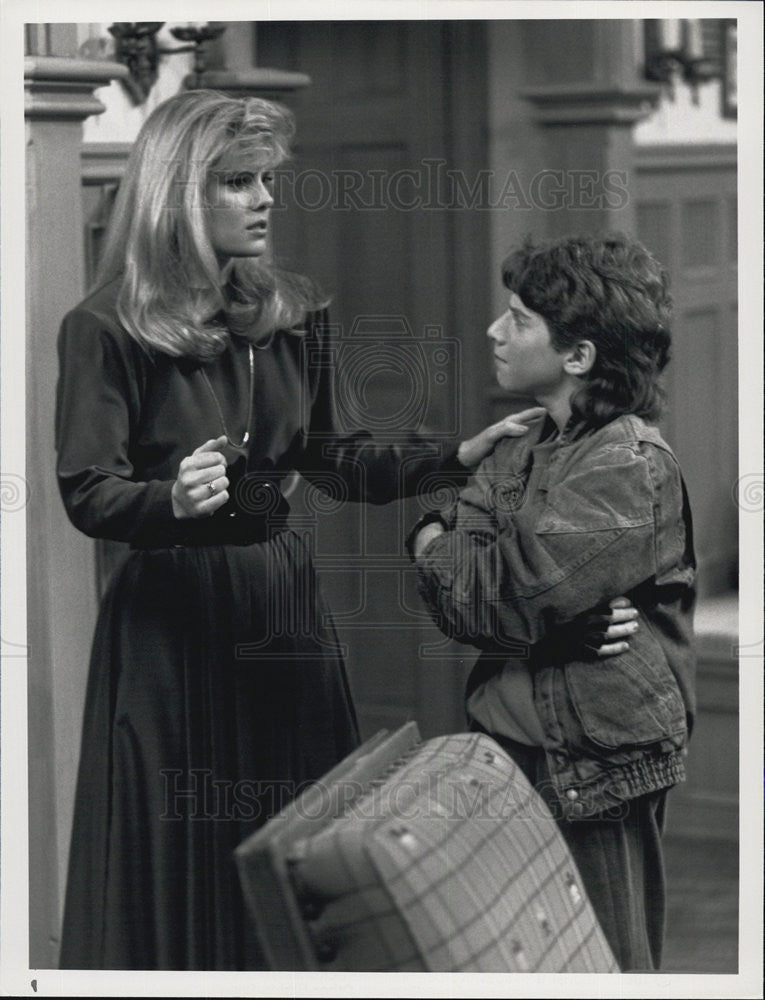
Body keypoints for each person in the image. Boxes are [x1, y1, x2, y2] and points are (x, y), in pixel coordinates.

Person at [55, 91, 633, 971]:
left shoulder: (290, 313)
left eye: (267, 180)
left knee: (292, 835)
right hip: (169, 620)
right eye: (238, 182)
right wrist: (168, 500)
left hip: (280, 602)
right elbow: (88, 493)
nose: (264, 199)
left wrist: (452, 456)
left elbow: (333, 457)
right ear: (178, 195)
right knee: (177, 848)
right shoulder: (103, 329)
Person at [410, 234, 696, 972]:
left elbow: (496, 598)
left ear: (578, 357)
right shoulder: (524, 441)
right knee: (519, 964)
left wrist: (430, 542)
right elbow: (466, 600)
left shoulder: (625, 466)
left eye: (518, 320)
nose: (493, 331)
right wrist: (441, 542)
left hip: (589, 760)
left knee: (599, 963)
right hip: (509, 745)